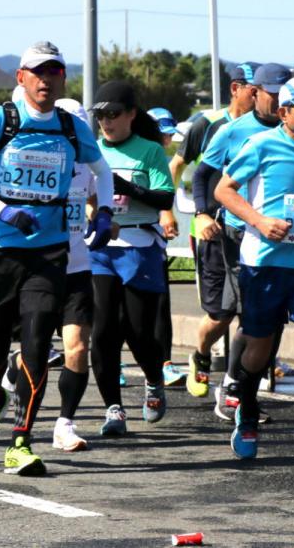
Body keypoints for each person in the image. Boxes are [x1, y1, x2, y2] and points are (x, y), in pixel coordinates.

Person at [0, 43, 112, 474]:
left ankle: (21, 440)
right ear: (21, 77)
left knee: (36, 344)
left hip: (49, 251)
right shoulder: (0, 120)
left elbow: (103, 170)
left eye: (54, 72)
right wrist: (1, 210)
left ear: (62, 79)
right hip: (0, 247)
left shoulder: (72, 127)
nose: (45, 80)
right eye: (37, 72)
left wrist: (106, 211)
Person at [214, 75, 294, 466]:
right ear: (285, 112)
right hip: (264, 263)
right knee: (259, 349)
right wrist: (259, 220)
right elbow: (224, 189)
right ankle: (247, 411)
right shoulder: (262, 145)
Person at [193, 63, 288, 420]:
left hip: (286, 238)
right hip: (238, 233)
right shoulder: (233, 132)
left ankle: (241, 386)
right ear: (255, 92)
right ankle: (231, 386)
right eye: (271, 94)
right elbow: (202, 175)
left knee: (270, 319)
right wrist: (202, 213)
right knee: (245, 313)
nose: (278, 101)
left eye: (284, 94)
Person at [87, 80, 176, 436]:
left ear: (131, 115)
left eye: (113, 114)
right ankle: (114, 409)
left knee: (139, 331)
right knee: (103, 330)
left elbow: (165, 199)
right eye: (101, 116)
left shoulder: (149, 151)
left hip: (140, 246)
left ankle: (154, 379)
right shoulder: (92, 152)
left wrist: (127, 188)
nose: (106, 122)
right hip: (102, 249)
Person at [172, 62, 259, 401]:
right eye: (255, 90)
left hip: (251, 232)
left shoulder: (268, 127)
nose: (261, 97)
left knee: (252, 313)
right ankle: (202, 354)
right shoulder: (207, 124)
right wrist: (179, 212)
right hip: (211, 230)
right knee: (220, 315)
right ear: (236, 89)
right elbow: (181, 168)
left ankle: (237, 390)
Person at [146, 105, 185, 387]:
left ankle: (166, 362)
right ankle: (119, 362)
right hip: (127, 243)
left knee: (160, 304)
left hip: (156, 243)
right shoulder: (138, 153)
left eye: (170, 135)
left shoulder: (161, 156)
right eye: (163, 134)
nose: (167, 140)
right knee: (122, 307)